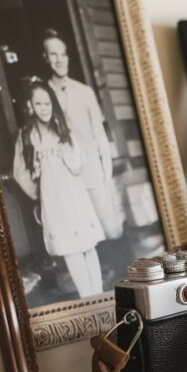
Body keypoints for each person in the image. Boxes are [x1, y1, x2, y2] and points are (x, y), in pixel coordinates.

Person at [13, 80, 105, 299]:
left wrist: (68, 156)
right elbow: (19, 172)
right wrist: (38, 194)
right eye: (39, 104)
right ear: (30, 106)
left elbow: (79, 163)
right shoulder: (27, 135)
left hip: (75, 194)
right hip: (53, 200)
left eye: (47, 103)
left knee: (87, 245)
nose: (44, 108)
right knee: (70, 249)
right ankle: (88, 298)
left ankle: (100, 295)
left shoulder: (64, 130)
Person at [42, 29, 123, 239]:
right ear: (45, 58)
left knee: (110, 226)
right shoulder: (43, 96)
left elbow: (99, 134)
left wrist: (106, 169)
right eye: (53, 54)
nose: (60, 60)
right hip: (65, 174)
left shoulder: (84, 92)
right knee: (82, 229)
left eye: (63, 54)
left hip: (92, 169)